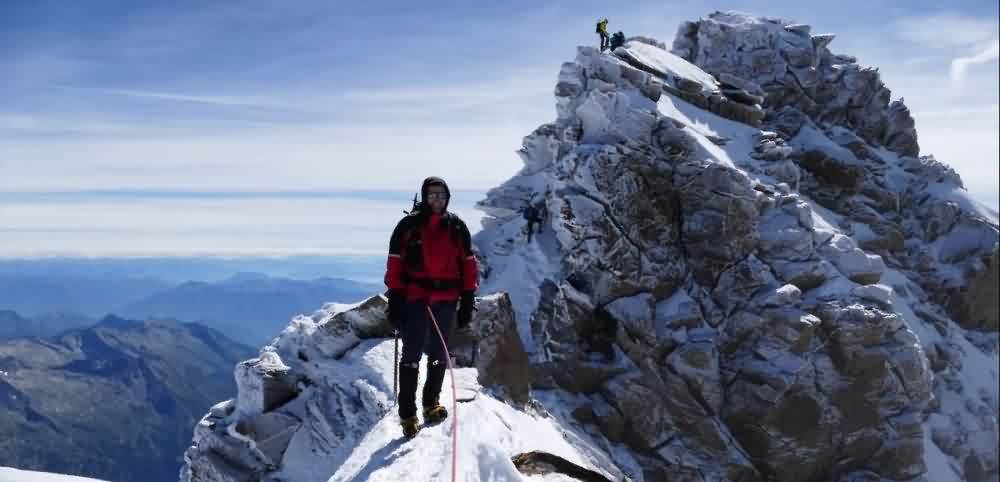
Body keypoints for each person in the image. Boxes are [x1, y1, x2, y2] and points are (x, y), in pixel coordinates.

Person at [384, 176, 478, 438]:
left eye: (441, 195)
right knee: (412, 355)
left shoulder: (457, 227)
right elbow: (394, 264)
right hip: (416, 298)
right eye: (432, 195)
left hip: (446, 299)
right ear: (424, 197)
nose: (437, 200)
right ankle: (407, 414)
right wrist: (395, 299)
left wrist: (467, 298)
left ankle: (431, 403)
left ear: (448, 197)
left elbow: (468, 264)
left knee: (439, 353)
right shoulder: (408, 226)